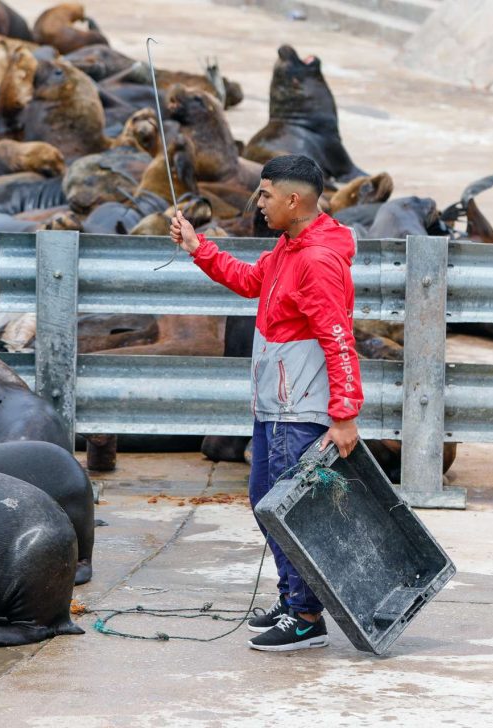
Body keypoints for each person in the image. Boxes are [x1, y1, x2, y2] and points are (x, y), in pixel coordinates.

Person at [170, 154, 363, 652]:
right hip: (274, 407)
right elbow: (249, 281)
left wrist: (343, 415)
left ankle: (305, 617)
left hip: (298, 411)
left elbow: (339, 338)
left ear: (292, 200)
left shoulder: (317, 260)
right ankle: (291, 597)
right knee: (265, 502)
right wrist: (198, 248)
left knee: (288, 509)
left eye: (265, 194)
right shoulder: (287, 249)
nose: (258, 203)